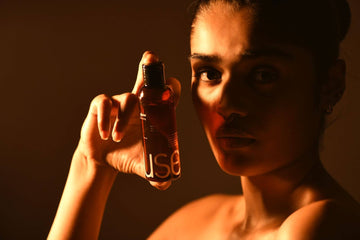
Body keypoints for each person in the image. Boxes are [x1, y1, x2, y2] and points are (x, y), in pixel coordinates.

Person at [48, 0, 360, 239]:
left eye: (263, 75)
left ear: (330, 84)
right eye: (209, 73)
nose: (226, 104)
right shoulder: (195, 219)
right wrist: (92, 163)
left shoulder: (322, 226)